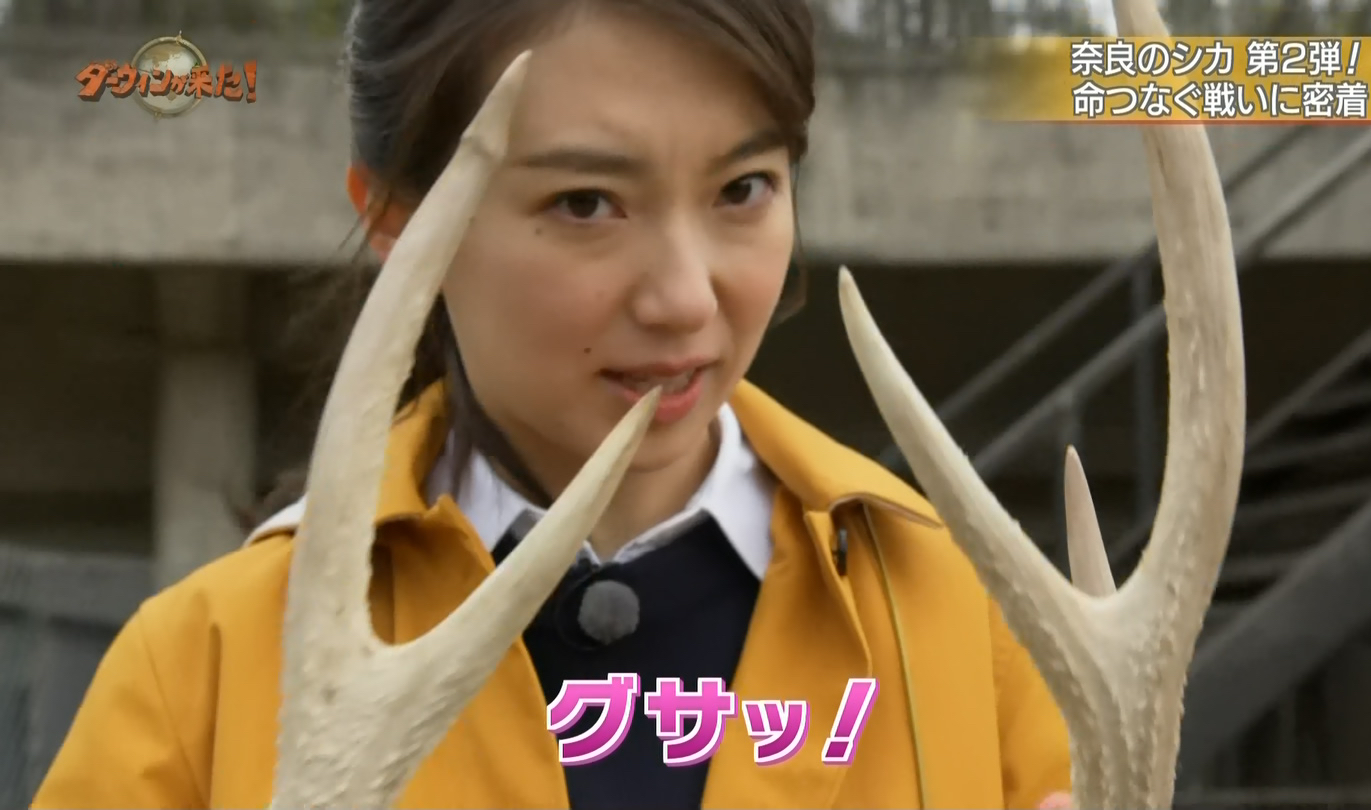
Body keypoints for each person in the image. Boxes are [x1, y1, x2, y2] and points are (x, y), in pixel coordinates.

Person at [32, 1, 1074, 807]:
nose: (685, 298)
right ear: (398, 222)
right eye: (586, 204)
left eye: (743, 188)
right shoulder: (205, 669)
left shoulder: (965, 619)